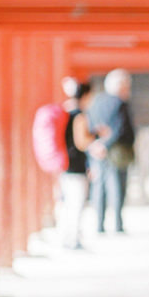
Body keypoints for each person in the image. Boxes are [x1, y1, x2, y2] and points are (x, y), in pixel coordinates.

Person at [87, 68, 136, 234]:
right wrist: (106, 145)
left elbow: (91, 125)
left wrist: (97, 145)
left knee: (100, 186)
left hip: (97, 150)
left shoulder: (96, 101)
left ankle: (99, 224)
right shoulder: (120, 103)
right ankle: (117, 224)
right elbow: (121, 128)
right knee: (117, 187)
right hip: (117, 151)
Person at [56, 79, 95, 250]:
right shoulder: (79, 115)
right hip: (76, 166)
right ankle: (72, 239)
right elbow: (81, 142)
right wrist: (95, 136)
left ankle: (67, 237)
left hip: (65, 165)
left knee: (68, 203)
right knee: (76, 204)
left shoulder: (66, 112)